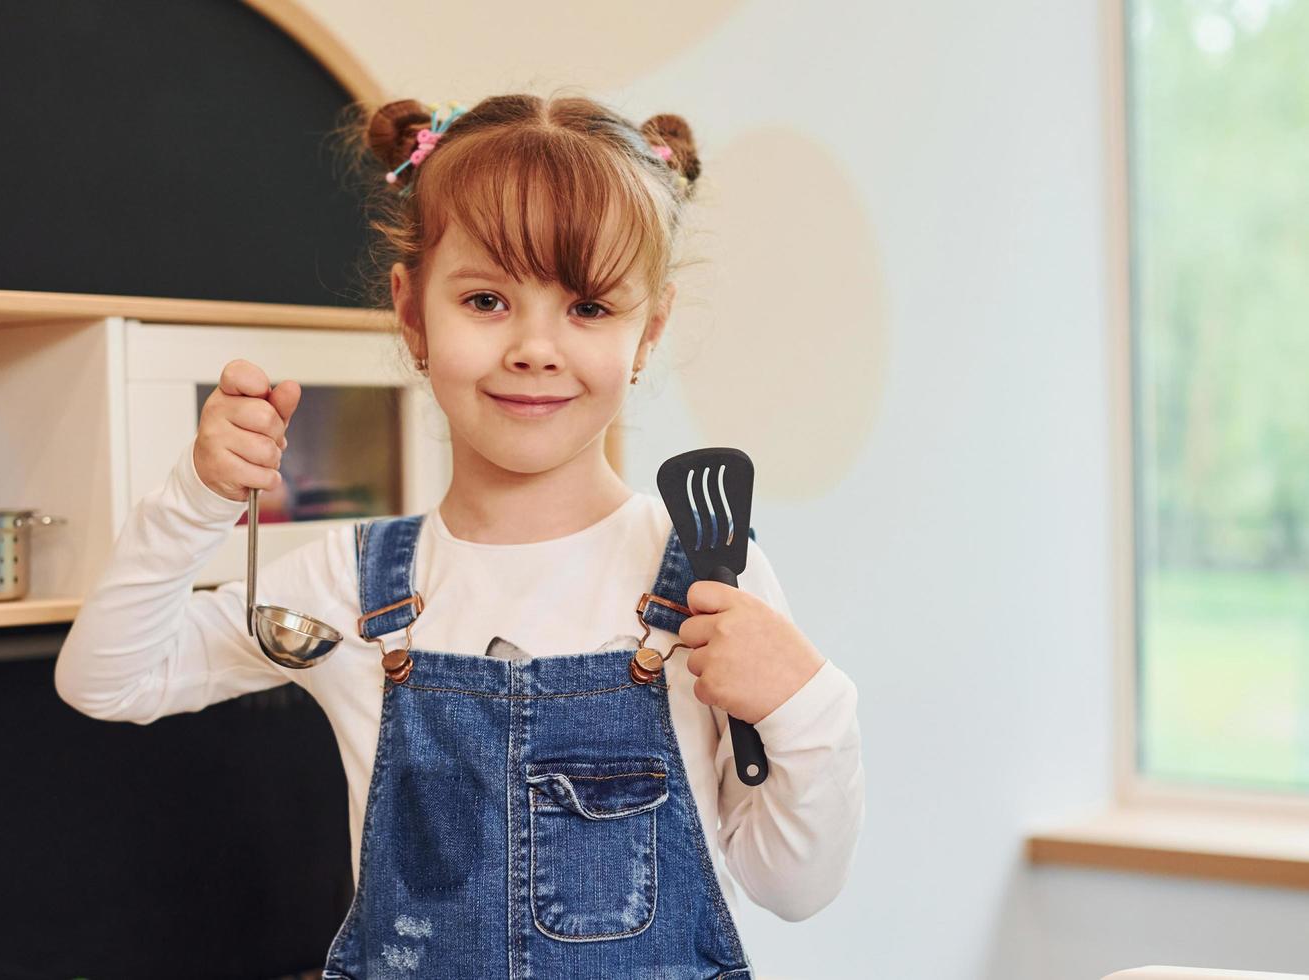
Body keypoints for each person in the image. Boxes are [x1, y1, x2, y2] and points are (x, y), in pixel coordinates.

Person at [55, 92, 864, 978]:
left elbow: (791, 885)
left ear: (650, 331)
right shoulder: (347, 582)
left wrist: (809, 705)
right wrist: (199, 496)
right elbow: (109, 679)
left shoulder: (711, 575)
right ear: (412, 315)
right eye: (487, 300)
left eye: (589, 307)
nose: (535, 347)